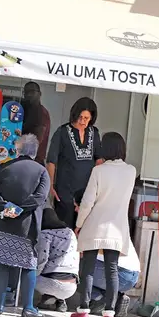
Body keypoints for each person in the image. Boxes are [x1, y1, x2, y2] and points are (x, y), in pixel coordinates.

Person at [0, 134, 50, 317]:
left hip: (1, 222)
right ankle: (28, 307)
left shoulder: (3, 167)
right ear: (35, 152)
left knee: (2, 263)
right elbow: (40, 197)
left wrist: (5, 206)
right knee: (28, 266)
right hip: (26, 226)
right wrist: (20, 209)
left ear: (18, 150)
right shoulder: (42, 172)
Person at [71, 132, 136, 317]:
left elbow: (87, 202)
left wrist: (79, 224)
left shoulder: (98, 171)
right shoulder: (131, 171)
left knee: (88, 267)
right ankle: (109, 314)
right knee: (112, 269)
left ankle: (83, 310)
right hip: (117, 227)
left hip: (95, 224)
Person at [46, 97, 103, 229]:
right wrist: (51, 186)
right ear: (75, 115)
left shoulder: (94, 133)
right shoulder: (62, 132)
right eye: (81, 117)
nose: (83, 121)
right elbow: (51, 161)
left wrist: (99, 187)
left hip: (87, 190)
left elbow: (99, 160)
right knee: (64, 228)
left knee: (84, 228)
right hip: (65, 190)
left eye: (87, 118)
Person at [34, 207, 79, 313]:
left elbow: (42, 259)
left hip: (50, 282)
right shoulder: (70, 233)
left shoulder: (45, 234)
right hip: (71, 287)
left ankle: (48, 298)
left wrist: (35, 274)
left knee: (29, 276)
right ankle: (61, 300)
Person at [88, 240, 140, 317]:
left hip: (112, 271)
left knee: (74, 272)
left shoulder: (95, 230)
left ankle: (100, 298)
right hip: (133, 277)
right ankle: (116, 298)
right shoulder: (122, 229)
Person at [21, 82, 51, 164]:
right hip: (23, 158)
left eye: (32, 92)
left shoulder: (41, 112)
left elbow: (37, 139)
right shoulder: (25, 111)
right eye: (26, 92)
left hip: (34, 160)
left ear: (40, 94)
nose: (29, 95)